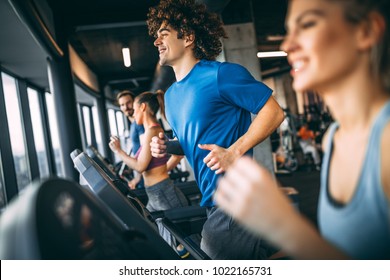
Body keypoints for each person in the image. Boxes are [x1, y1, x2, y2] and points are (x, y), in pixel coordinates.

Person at [215, 0, 390, 259]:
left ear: (366, 31)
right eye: (288, 31)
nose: (287, 45)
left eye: (307, 24)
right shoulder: (334, 138)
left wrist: (288, 229)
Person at [147, 0, 284, 259]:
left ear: (187, 37)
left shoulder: (221, 75)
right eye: (156, 36)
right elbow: (193, 143)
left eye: (163, 34)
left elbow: (274, 113)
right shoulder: (172, 96)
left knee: (213, 256)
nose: (156, 41)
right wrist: (169, 145)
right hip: (211, 197)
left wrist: (234, 152)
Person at [116, 90, 145, 189]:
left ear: (134, 102)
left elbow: (145, 150)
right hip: (140, 170)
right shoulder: (133, 124)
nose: (125, 107)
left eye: (128, 102)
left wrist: (138, 177)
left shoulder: (139, 123)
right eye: (122, 104)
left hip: (145, 174)